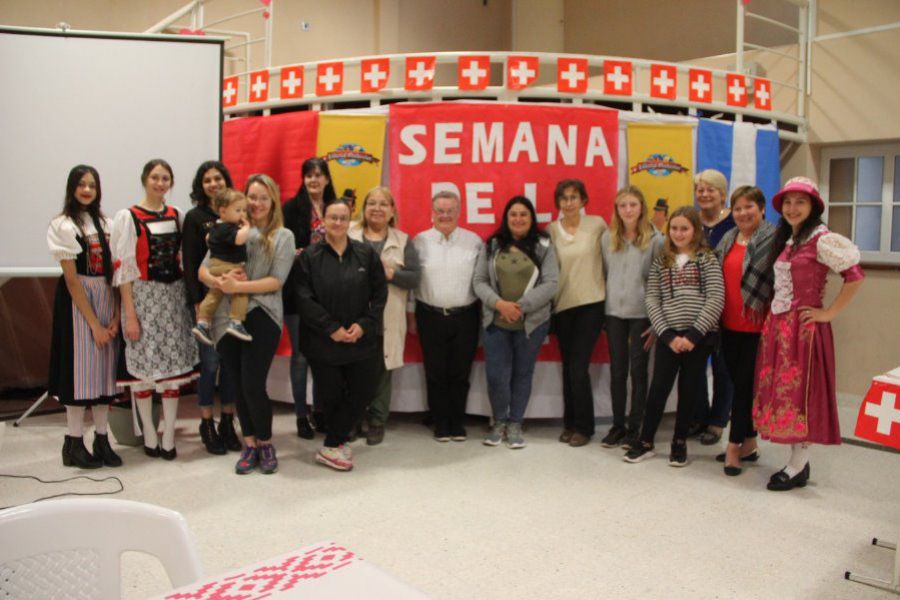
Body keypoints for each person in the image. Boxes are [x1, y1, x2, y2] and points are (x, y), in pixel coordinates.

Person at [752, 177, 864, 491]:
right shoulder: (789, 239)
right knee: (785, 395)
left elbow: (854, 276)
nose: (792, 208)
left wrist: (827, 312)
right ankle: (797, 462)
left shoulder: (822, 239)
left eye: (800, 202)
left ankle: (798, 464)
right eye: (787, 202)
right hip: (780, 328)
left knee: (802, 395)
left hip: (804, 331)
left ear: (813, 205)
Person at [199, 174, 295, 475]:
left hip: (262, 314)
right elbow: (202, 269)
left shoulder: (283, 236)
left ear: (273, 201)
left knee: (253, 383)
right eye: (251, 197)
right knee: (237, 384)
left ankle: (266, 443)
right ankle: (249, 444)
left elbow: (276, 281)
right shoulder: (227, 230)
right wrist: (218, 281)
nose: (256, 203)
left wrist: (237, 288)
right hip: (226, 317)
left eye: (263, 197)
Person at [111, 159, 198, 460]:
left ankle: (170, 434)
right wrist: (130, 315)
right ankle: (149, 431)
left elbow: (186, 260)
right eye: (155, 177)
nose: (160, 183)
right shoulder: (128, 217)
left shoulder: (179, 216)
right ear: (144, 180)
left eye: (165, 178)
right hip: (143, 299)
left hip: (173, 299)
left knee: (171, 375)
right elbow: (124, 271)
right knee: (144, 374)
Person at [624, 206, 724, 467]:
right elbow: (653, 299)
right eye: (674, 229)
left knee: (689, 389)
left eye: (685, 228)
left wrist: (693, 335)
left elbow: (715, 298)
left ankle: (679, 442)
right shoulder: (662, 261)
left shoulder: (707, 259)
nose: (679, 234)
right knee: (658, 388)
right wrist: (666, 334)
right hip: (669, 335)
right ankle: (646, 440)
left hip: (698, 338)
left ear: (695, 231)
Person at [297, 196, 387, 470]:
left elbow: (380, 293)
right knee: (332, 396)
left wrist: (364, 324)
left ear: (350, 221)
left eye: (343, 218)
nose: (338, 222)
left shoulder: (366, 254)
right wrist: (331, 328)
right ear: (323, 221)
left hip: (360, 340)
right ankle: (336, 445)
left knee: (365, 390)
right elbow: (303, 298)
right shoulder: (309, 257)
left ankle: (331, 445)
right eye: (332, 217)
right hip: (323, 342)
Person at [47, 165, 121, 469]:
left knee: (104, 374)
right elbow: (72, 280)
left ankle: (102, 439)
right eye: (81, 184)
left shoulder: (108, 222)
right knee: (80, 377)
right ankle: (74, 442)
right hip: (79, 304)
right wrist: (94, 323)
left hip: (107, 296)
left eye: (92, 185)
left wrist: (115, 317)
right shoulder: (63, 225)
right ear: (71, 188)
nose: (87, 190)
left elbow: (118, 271)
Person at [473, 196, 558, 449]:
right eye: (513, 215)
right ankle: (499, 421)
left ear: (531, 218)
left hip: (531, 323)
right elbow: (479, 281)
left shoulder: (544, 245)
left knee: (523, 373)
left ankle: (516, 423)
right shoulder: (492, 245)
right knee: (496, 375)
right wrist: (500, 305)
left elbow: (551, 282)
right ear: (506, 218)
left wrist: (521, 308)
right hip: (496, 321)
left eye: (523, 214)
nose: (518, 219)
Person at [348, 186, 420, 445]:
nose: (377, 208)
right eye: (371, 203)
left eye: (383, 204)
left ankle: (377, 421)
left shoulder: (402, 240)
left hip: (386, 318)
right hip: (353, 316)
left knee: (382, 371)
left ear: (392, 211)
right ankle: (353, 419)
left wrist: (392, 274)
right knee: (353, 370)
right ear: (364, 209)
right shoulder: (349, 234)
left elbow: (415, 277)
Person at [714, 186, 776, 476]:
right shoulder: (728, 238)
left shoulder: (774, 239)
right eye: (737, 208)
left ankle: (733, 447)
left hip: (758, 328)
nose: (743, 213)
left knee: (742, 390)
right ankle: (750, 442)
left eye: (749, 207)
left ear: (762, 209)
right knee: (741, 387)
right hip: (727, 326)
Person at [412, 190, 483, 442]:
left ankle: (457, 421)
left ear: (459, 212)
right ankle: (441, 422)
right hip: (429, 315)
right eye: (440, 211)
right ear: (432, 213)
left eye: (450, 210)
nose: (445, 215)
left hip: (466, 316)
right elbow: (412, 281)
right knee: (435, 372)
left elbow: (482, 280)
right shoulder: (419, 241)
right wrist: (411, 313)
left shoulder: (474, 241)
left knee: (460, 373)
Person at [181, 160, 240, 455]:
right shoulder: (194, 218)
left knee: (231, 364)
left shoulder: (237, 215)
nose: (214, 184)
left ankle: (228, 421)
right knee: (210, 364)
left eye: (218, 178)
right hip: (208, 300)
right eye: (207, 180)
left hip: (236, 300)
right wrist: (196, 303)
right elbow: (191, 263)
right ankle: (207, 423)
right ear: (200, 186)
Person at [598, 186, 664, 450]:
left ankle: (635, 427)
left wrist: (656, 320)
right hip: (613, 313)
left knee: (638, 372)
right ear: (617, 209)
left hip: (641, 315)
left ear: (641, 208)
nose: (628, 210)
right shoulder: (607, 238)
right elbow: (605, 273)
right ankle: (617, 425)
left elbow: (658, 280)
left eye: (633, 205)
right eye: (623, 205)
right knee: (617, 371)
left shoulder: (656, 239)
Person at [548, 179, 607, 447]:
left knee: (578, 366)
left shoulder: (597, 224)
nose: (568, 202)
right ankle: (570, 423)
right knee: (568, 366)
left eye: (574, 197)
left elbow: (611, 260)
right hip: (562, 306)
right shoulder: (550, 230)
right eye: (564, 198)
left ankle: (584, 426)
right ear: (558, 202)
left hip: (591, 303)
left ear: (583, 200)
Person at [281, 157, 335, 438]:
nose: (314, 180)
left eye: (319, 175)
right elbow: (283, 248)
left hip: (330, 294)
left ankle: (322, 410)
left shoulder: (336, 207)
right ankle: (301, 414)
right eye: (309, 175)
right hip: (297, 293)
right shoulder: (291, 208)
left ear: (327, 178)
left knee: (324, 357)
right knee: (301, 356)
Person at [691, 169, 736, 445]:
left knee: (723, 366)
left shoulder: (735, 221)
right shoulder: (689, 221)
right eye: (700, 189)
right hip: (694, 303)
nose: (704, 194)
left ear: (722, 193)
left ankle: (718, 421)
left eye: (711, 189)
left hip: (728, 303)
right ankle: (698, 416)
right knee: (694, 366)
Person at [191, 189, 253, 344]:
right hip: (228, 265)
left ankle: (203, 322)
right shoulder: (228, 227)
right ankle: (236, 321)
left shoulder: (216, 227)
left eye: (244, 210)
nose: (242, 214)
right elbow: (239, 240)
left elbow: (208, 239)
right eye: (238, 210)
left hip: (215, 265)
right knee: (241, 289)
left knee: (215, 293)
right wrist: (246, 228)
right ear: (223, 212)